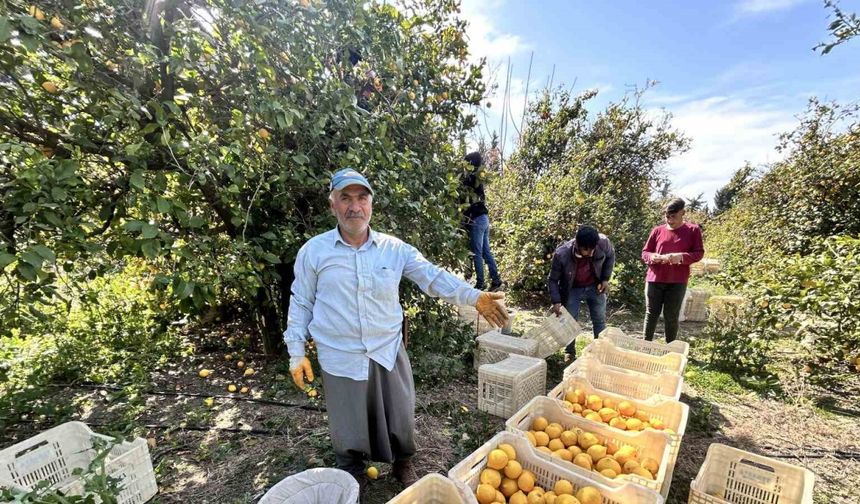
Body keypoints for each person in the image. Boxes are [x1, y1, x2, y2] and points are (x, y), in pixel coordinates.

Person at [284, 168, 508, 490]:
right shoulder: (314, 252)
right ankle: (353, 471)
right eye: (345, 198)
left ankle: (403, 462)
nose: (354, 206)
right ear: (332, 204)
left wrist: (474, 297)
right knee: (347, 423)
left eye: (362, 198)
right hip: (340, 355)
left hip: (386, 349)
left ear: (371, 205)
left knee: (399, 414)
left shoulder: (394, 248)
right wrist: (295, 353)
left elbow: (432, 276)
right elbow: (301, 302)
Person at [641, 198, 705, 342]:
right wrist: (653, 257)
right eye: (667, 216)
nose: (670, 220)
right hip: (655, 279)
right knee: (651, 313)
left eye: (673, 216)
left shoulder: (693, 230)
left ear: (682, 212)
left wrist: (681, 257)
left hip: (677, 281)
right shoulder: (657, 231)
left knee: (671, 316)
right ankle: (645, 345)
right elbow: (645, 252)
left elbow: (699, 253)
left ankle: (670, 348)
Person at [547, 226, 615, 359]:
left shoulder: (603, 243)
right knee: (570, 320)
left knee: (599, 319)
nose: (590, 253)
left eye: (592, 249)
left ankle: (599, 353)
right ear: (577, 244)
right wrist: (556, 301)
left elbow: (610, 257)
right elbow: (553, 280)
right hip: (573, 288)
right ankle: (569, 352)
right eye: (586, 249)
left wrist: (605, 279)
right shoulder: (562, 254)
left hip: (596, 286)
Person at [460, 152, 503, 291]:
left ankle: (480, 283)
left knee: (476, 252)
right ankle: (496, 281)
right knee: (486, 251)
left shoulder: (470, 179)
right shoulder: (479, 180)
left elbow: (463, 200)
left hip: (477, 220)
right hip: (484, 219)